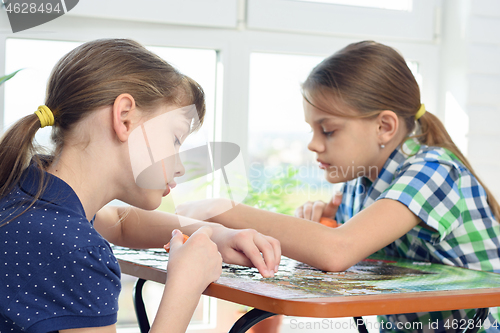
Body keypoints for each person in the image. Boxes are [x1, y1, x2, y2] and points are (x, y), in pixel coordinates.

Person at [176, 41, 500, 332]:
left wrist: (222, 209)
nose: (314, 145)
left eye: (328, 130)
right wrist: (321, 227)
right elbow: (335, 250)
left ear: (384, 127)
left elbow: (336, 251)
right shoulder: (361, 183)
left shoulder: (434, 170)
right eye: (311, 130)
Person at [0, 38, 280, 333]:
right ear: (124, 117)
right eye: (175, 139)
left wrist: (216, 234)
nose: (181, 166)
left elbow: (118, 223)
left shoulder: (29, 192)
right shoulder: (76, 250)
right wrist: (185, 286)